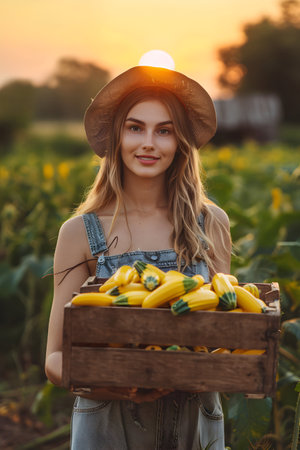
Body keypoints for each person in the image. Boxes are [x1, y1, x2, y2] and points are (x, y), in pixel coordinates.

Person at [45, 63, 231, 450]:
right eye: (135, 127)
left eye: (164, 130)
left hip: (194, 418)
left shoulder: (210, 223)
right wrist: (118, 381)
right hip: (109, 422)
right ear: (117, 137)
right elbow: (55, 359)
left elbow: (224, 336)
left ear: (180, 142)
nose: (149, 142)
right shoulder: (80, 233)